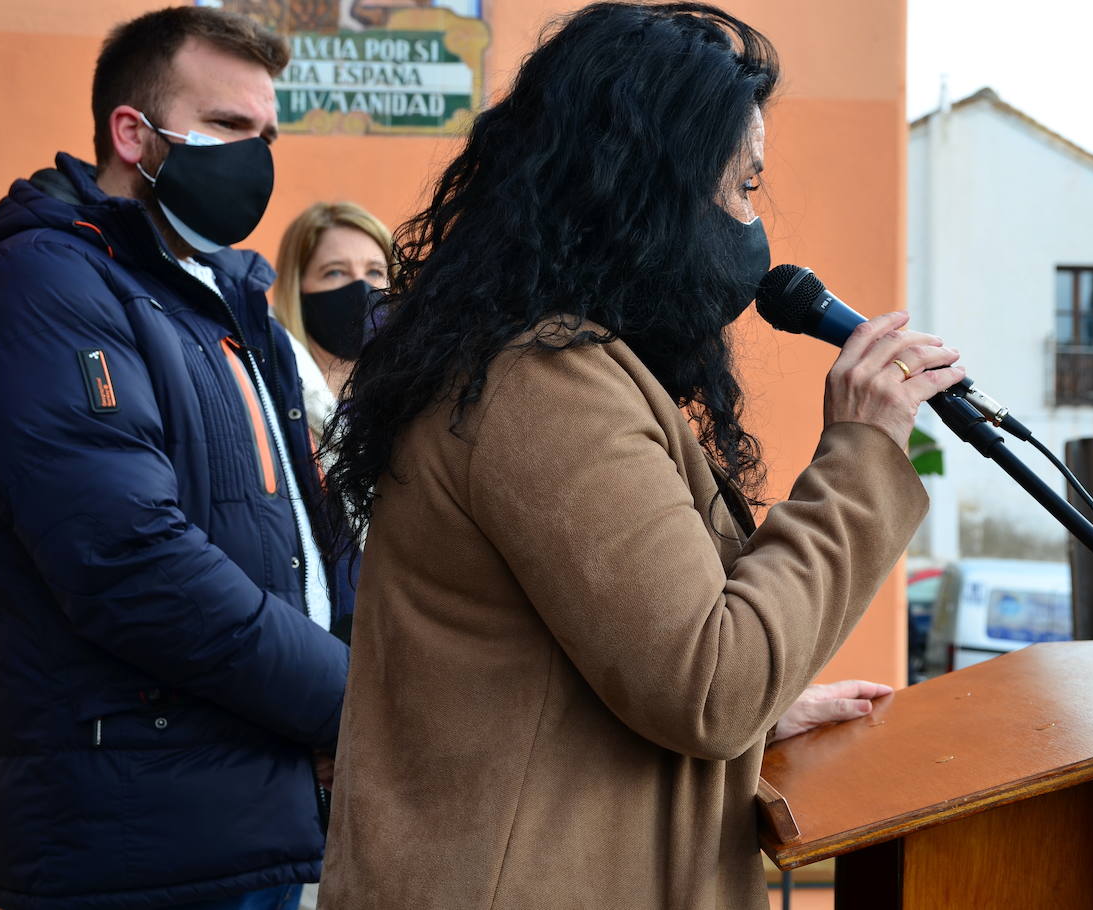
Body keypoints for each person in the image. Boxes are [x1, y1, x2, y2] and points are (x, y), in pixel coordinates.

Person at [316, 3, 964, 908]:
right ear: (644, 191)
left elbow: (600, 656)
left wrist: (769, 712)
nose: (753, 227)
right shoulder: (542, 387)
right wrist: (860, 455)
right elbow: (709, 683)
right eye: (741, 188)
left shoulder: (541, 369)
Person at [0, 7, 349, 909]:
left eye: (266, 133)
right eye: (231, 126)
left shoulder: (229, 301)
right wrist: (348, 704)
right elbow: (128, 561)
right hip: (134, 855)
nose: (257, 155)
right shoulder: (45, 282)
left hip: (265, 828)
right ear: (134, 132)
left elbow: (313, 536)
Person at [272, 202, 394, 439]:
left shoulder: (416, 397)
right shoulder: (267, 391)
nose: (361, 287)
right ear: (297, 288)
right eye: (335, 272)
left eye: (375, 272)